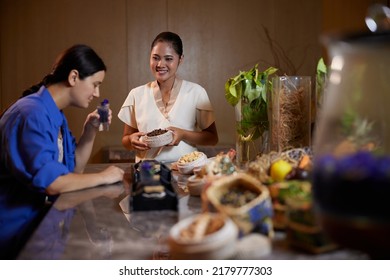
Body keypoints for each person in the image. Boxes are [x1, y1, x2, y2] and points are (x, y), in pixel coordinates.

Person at [0, 44, 124, 259]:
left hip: (41, 230)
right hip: (15, 235)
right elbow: (53, 183)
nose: (97, 94)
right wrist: (104, 177)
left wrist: (90, 130)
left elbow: (72, 170)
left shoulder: (54, 116)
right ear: (74, 77)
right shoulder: (31, 113)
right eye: (95, 84)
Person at [118, 31, 218, 163]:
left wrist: (183, 134)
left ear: (180, 59)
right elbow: (126, 140)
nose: (160, 64)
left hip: (185, 171)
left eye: (168, 59)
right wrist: (131, 140)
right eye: (156, 58)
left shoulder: (196, 92)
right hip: (147, 173)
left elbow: (212, 138)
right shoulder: (136, 94)